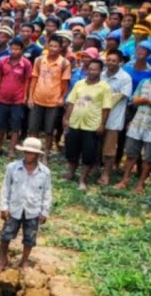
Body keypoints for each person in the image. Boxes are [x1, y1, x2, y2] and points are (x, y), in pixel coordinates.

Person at [0, 136, 53, 274]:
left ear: (37, 154)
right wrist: (4, 207)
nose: (28, 155)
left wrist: (44, 211)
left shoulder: (45, 172)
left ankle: (24, 261)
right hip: (14, 208)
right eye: (26, 152)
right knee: (6, 235)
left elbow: (47, 192)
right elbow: (6, 188)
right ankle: (2, 259)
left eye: (31, 153)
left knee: (29, 238)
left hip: (33, 210)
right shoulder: (13, 168)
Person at [62, 58, 113, 191]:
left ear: (100, 71)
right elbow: (71, 102)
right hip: (75, 123)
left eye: (95, 69)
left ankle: (82, 179)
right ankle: (70, 173)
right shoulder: (79, 84)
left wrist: (102, 124)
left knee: (88, 154)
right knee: (72, 151)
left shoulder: (105, 87)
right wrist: (66, 118)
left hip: (91, 125)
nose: (92, 72)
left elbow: (106, 108)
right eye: (90, 69)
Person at [27, 36, 69, 160]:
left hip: (53, 102)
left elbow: (65, 83)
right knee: (33, 128)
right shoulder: (39, 60)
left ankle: (45, 154)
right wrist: (30, 97)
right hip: (37, 99)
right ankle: (32, 151)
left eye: (56, 46)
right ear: (47, 46)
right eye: (51, 45)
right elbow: (34, 79)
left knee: (49, 130)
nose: (53, 48)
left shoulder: (64, 63)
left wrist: (61, 98)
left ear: (60, 48)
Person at [0, 38, 33, 159]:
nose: (14, 51)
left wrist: (25, 96)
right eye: (12, 49)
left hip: (18, 100)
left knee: (15, 126)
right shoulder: (3, 61)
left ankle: (12, 150)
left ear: (22, 50)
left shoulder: (26, 63)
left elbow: (28, 80)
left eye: (17, 49)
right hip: (2, 98)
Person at [115, 58, 151, 192]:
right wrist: (139, 100)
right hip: (137, 123)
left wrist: (148, 102)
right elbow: (133, 99)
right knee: (131, 153)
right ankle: (125, 180)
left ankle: (141, 184)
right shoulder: (144, 82)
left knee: (148, 158)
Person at [99, 49, 132, 186]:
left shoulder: (125, 78)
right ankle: (95, 168)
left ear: (120, 62)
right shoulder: (101, 74)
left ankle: (106, 173)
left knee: (109, 149)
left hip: (113, 119)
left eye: (114, 61)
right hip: (97, 116)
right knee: (96, 145)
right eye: (109, 60)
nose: (110, 63)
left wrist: (102, 99)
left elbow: (118, 97)